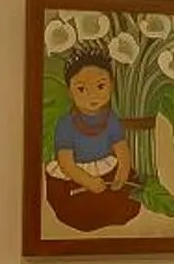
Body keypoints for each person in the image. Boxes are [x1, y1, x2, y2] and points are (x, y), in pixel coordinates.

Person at [45, 47, 144, 231]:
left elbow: (122, 150)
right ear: (70, 91)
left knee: (125, 197)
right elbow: (66, 163)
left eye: (100, 86)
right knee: (78, 206)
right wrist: (87, 180)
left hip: (106, 169)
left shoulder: (111, 119)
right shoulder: (66, 124)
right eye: (82, 89)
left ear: (111, 85)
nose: (92, 95)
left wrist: (122, 171)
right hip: (77, 176)